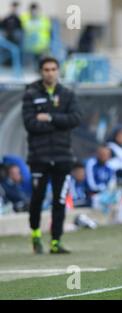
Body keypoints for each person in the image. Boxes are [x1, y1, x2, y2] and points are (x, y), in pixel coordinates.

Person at [22, 56, 82, 254]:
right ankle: (36, 235)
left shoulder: (67, 94)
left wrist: (49, 117)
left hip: (63, 156)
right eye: (46, 69)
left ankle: (56, 241)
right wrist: (58, 123)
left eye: (53, 69)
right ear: (41, 71)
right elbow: (30, 124)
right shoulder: (30, 93)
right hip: (39, 157)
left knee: (59, 201)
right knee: (37, 199)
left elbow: (75, 119)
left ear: (58, 71)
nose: (50, 72)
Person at [20, 2, 51, 69]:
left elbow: (48, 30)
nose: (34, 12)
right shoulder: (24, 18)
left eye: (36, 10)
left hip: (41, 44)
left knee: (41, 60)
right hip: (29, 44)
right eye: (32, 10)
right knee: (30, 62)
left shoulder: (43, 18)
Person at [0, 1, 22, 66]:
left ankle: (15, 65)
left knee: (15, 51)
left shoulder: (19, 18)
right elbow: (2, 27)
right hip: (7, 39)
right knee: (9, 52)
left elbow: (21, 29)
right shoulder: (7, 18)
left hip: (15, 40)